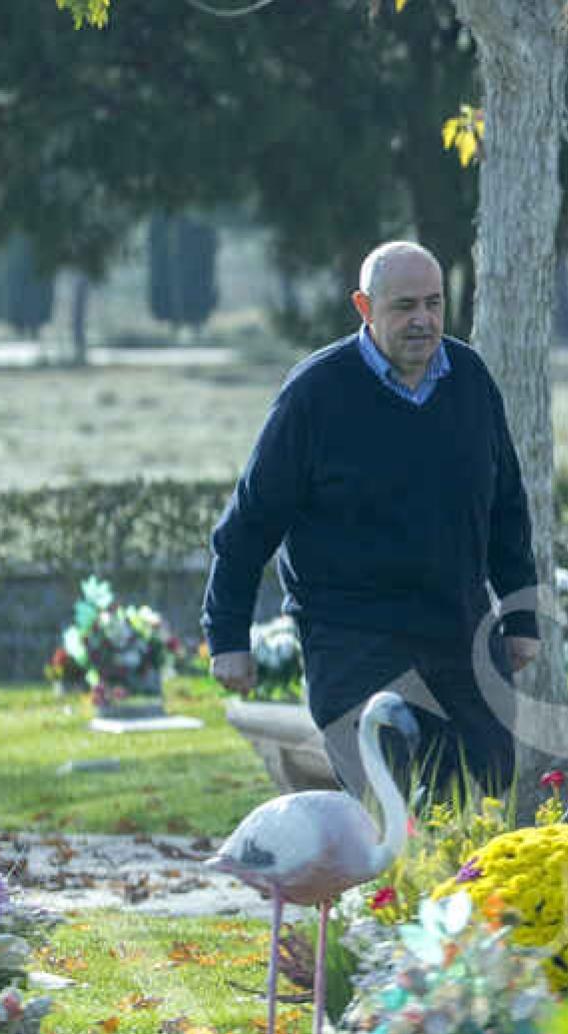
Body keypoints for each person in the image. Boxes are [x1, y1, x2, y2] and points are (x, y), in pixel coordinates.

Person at [203, 240, 539, 805]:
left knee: (488, 782)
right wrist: (228, 635)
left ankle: (445, 897)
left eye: (434, 303)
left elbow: (506, 504)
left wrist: (522, 615)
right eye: (405, 306)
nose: (423, 320)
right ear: (364, 307)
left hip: (458, 628)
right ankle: (386, 889)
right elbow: (250, 521)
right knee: (389, 788)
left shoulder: (471, 380)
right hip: (352, 635)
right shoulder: (315, 394)